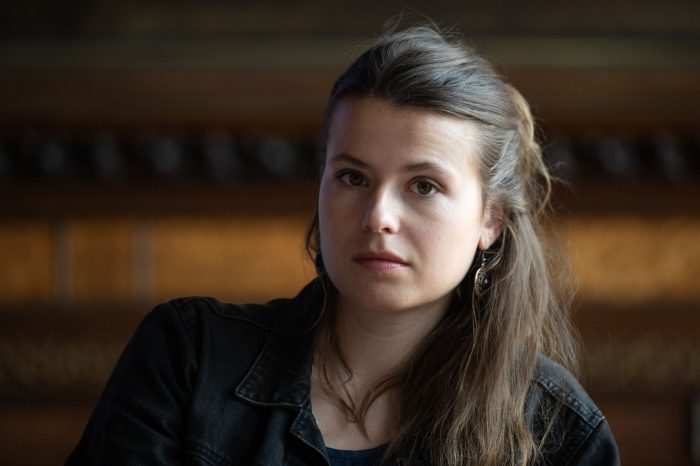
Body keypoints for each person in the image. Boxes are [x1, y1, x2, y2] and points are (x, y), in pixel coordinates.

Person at [66, 22, 620, 466]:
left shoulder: (560, 433)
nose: (378, 217)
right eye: (353, 177)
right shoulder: (188, 358)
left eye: (423, 186)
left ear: (490, 220)